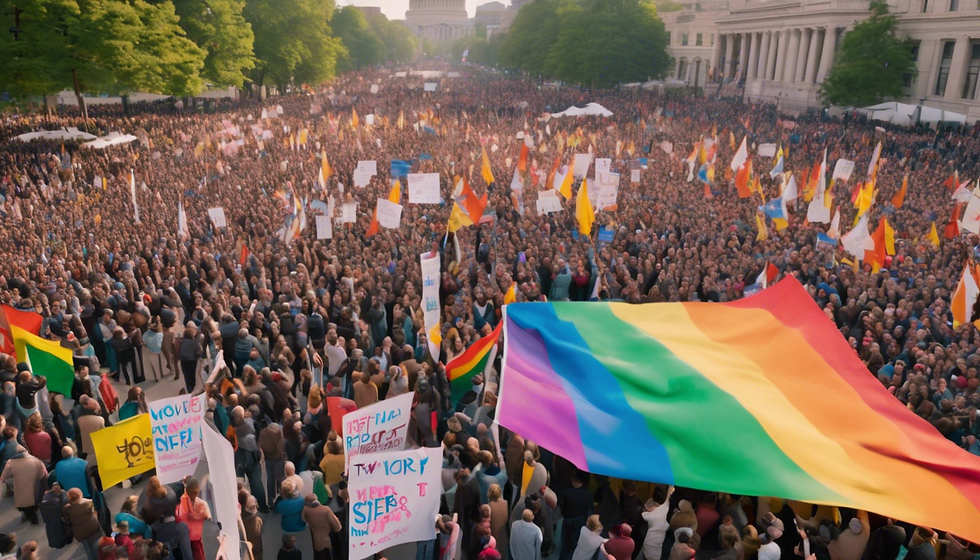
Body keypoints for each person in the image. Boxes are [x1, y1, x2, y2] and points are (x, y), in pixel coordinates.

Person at [0, 443, 46, 524]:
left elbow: (4, 477)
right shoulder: (35, 460)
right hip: (32, 485)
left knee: (23, 502)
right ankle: (33, 516)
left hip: (19, 486)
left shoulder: (11, 462)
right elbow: (42, 475)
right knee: (33, 500)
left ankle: (28, 515)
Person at [63, 487, 103, 560]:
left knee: (87, 549)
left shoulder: (66, 508)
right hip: (93, 528)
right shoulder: (88, 502)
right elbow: (95, 511)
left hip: (79, 533)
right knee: (96, 546)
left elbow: (66, 519)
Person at [177, 477, 211, 560]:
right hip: (193, 538)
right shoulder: (201, 504)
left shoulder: (182, 501)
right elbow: (209, 518)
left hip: (187, 537)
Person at [301, 494, 342, 560]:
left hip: (313, 541)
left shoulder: (305, 510)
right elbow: (337, 527)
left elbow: (303, 520)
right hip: (326, 540)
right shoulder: (325, 510)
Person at [642, 486, 674, 560]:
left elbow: (643, 515)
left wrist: (647, 509)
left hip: (649, 552)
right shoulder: (669, 512)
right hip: (657, 553)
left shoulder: (656, 513)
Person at [38, 483, 70, 549]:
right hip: (58, 518)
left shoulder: (47, 497)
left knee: (54, 533)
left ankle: (58, 544)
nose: (56, 487)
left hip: (51, 519)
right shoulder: (65, 495)